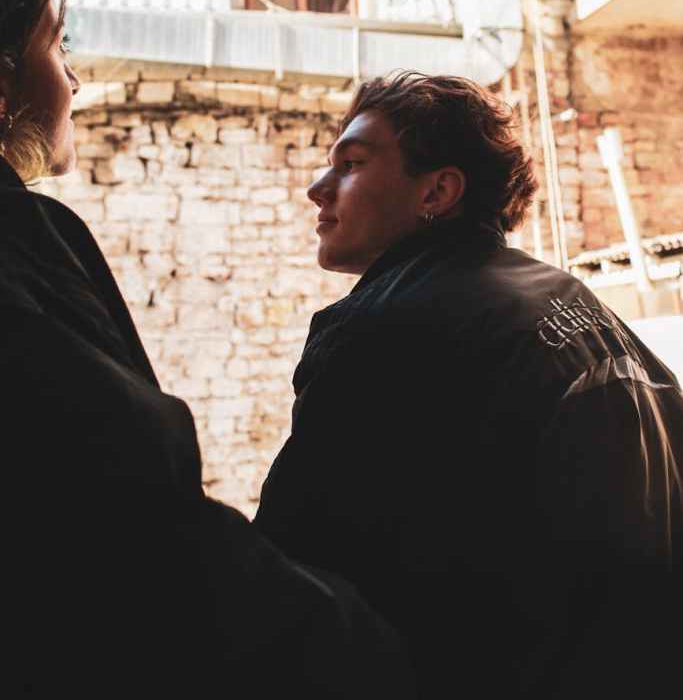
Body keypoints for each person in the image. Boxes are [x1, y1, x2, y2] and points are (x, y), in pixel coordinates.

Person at [0, 0, 415, 699]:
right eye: (57, 46)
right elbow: (139, 522)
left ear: (439, 190)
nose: (74, 80)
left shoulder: (403, 324)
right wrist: (355, 642)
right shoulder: (24, 236)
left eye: (354, 162)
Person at [255, 71, 683, 699]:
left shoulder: (382, 327)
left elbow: (294, 564)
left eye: (351, 163)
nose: (317, 188)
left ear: (438, 190)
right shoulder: (574, 300)